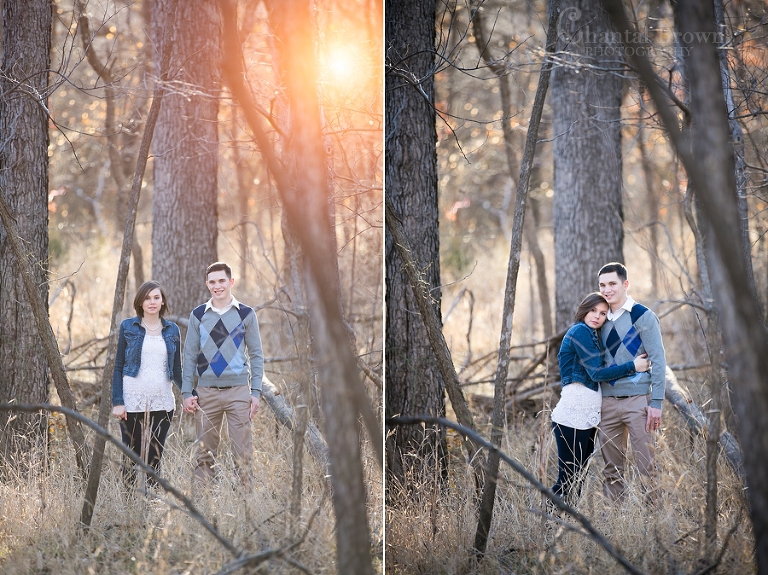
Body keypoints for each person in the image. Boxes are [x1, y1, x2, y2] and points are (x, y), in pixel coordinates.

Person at [550, 292, 650, 507]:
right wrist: (633, 366)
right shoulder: (579, 331)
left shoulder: (594, 334)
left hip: (589, 417)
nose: (597, 316)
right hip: (572, 415)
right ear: (584, 309)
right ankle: (548, 523)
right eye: (593, 310)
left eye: (603, 313)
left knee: (578, 478)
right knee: (568, 478)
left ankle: (567, 524)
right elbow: (596, 374)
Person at [182, 261, 263, 485]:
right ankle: (204, 505)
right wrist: (186, 392)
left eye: (222, 281)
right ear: (207, 284)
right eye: (212, 282)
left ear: (231, 282)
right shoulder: (199, 315)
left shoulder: (246, 314)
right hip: (206, 393)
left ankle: (245, 508)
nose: (217, 286)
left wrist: (255, 392)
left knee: (243, 454)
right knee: (204, 454)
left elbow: (256, 355)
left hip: (238, 392)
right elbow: (189, 355)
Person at [597, 262, 667, 502]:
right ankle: (615, 527)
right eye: (602, 285)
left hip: (638, 402)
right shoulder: (599, 317)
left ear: (625, 284)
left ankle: (653, 523)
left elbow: (658, 359)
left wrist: (656, 402)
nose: (607, 290)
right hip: (607, 403)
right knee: (611, 471)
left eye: (612, 284)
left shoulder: (642, 316)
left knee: (647, 469)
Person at [112, 280, 182, 485]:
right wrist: (118, 401)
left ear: (162, 302)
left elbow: (176, 370)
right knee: (130, 457)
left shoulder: (172, 330)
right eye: (147, 298)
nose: (152, 302)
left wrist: (189, 392)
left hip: (162, 402)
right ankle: (129, 506)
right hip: (132, 401)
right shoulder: (128, 326)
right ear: (140, 302)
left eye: (156, 297)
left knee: (154, 458)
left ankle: (151, 506)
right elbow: (118, 366)